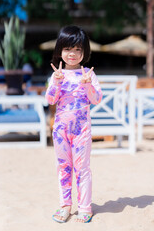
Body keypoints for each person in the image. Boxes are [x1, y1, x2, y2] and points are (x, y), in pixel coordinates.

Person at [45, 25, 102, 223]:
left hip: (82, 130)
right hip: (61, 129)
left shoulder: (88, 74)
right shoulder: (57, 75)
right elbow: (51, 100)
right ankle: (65, 206)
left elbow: (96, 100)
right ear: (60, 50)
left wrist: (87, 84)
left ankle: (85, 206)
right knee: (63, 167)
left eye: (78, 49)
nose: (73, 54)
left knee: (82, 168)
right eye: (68, 49)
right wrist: (56, 82)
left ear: (84, 52)